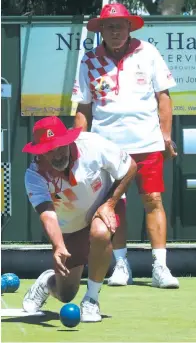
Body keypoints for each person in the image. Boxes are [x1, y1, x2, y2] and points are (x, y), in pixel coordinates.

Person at [72, 2, 179, 288]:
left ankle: (160, 266)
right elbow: (84, 107)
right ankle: (121, 265)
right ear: (101, 30)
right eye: (110, 26)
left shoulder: (149, 52)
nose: (115, 31)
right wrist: (77, 145)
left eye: (120, 26)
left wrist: (165, 135)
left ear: (129, 27)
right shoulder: (89, 60)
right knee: (113, 205)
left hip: (147, 142)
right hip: (106, 148)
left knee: (153, 200)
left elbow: (164, 97)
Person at [22, 116, 136, 322]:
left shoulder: (92, 145)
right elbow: (47, 213)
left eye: (59, 146)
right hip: (70, 225)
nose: (57, 154)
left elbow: (130, 166)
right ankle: (47, 282)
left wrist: (109, 204)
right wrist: (58, 246)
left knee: (101, 233)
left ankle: (91, 300)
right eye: (49, 150)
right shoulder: (34, 175)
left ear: (68, 141)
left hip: (104, 204)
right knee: (66, 295)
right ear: (40, 152)